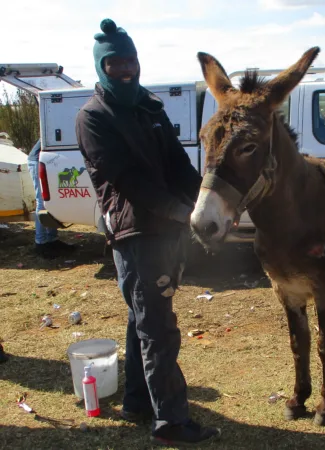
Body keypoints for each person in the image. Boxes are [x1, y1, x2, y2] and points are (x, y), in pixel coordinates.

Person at [74, 18, 220, 446]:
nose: (125, 69)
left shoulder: (148, 106)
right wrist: (179, 212)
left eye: (130, 61)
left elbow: (177, 163)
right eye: (115, 63)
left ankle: (138, 400)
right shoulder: (93, 118)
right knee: (158, 329)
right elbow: (128, 181)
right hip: (135, 235)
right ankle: (171, 423)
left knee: (143, 318)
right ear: (102, 67)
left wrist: (202, 203)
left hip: (166, 232)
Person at [27, 139, 77, 259]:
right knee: (42, 202)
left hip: (47, 160)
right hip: (37, 160)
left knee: (52, 202)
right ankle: (40, 243)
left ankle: (52, 239)